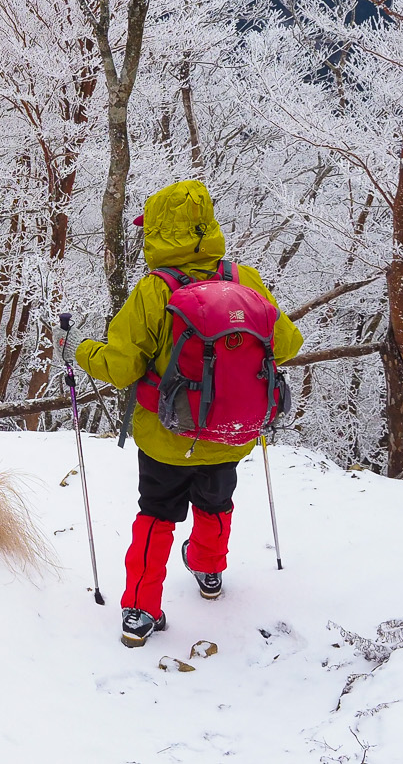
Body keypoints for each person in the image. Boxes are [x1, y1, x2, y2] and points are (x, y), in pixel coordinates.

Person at [67, 179, 303, 647]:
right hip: (231, 432)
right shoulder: (245, 280)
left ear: (157, 233)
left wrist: (81, 350)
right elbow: (288, 344)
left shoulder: (155, 292)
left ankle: (139, 610)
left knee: (156, 514)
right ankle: (209, 570)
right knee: (217, 502)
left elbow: (120, 366)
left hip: (166, 437)